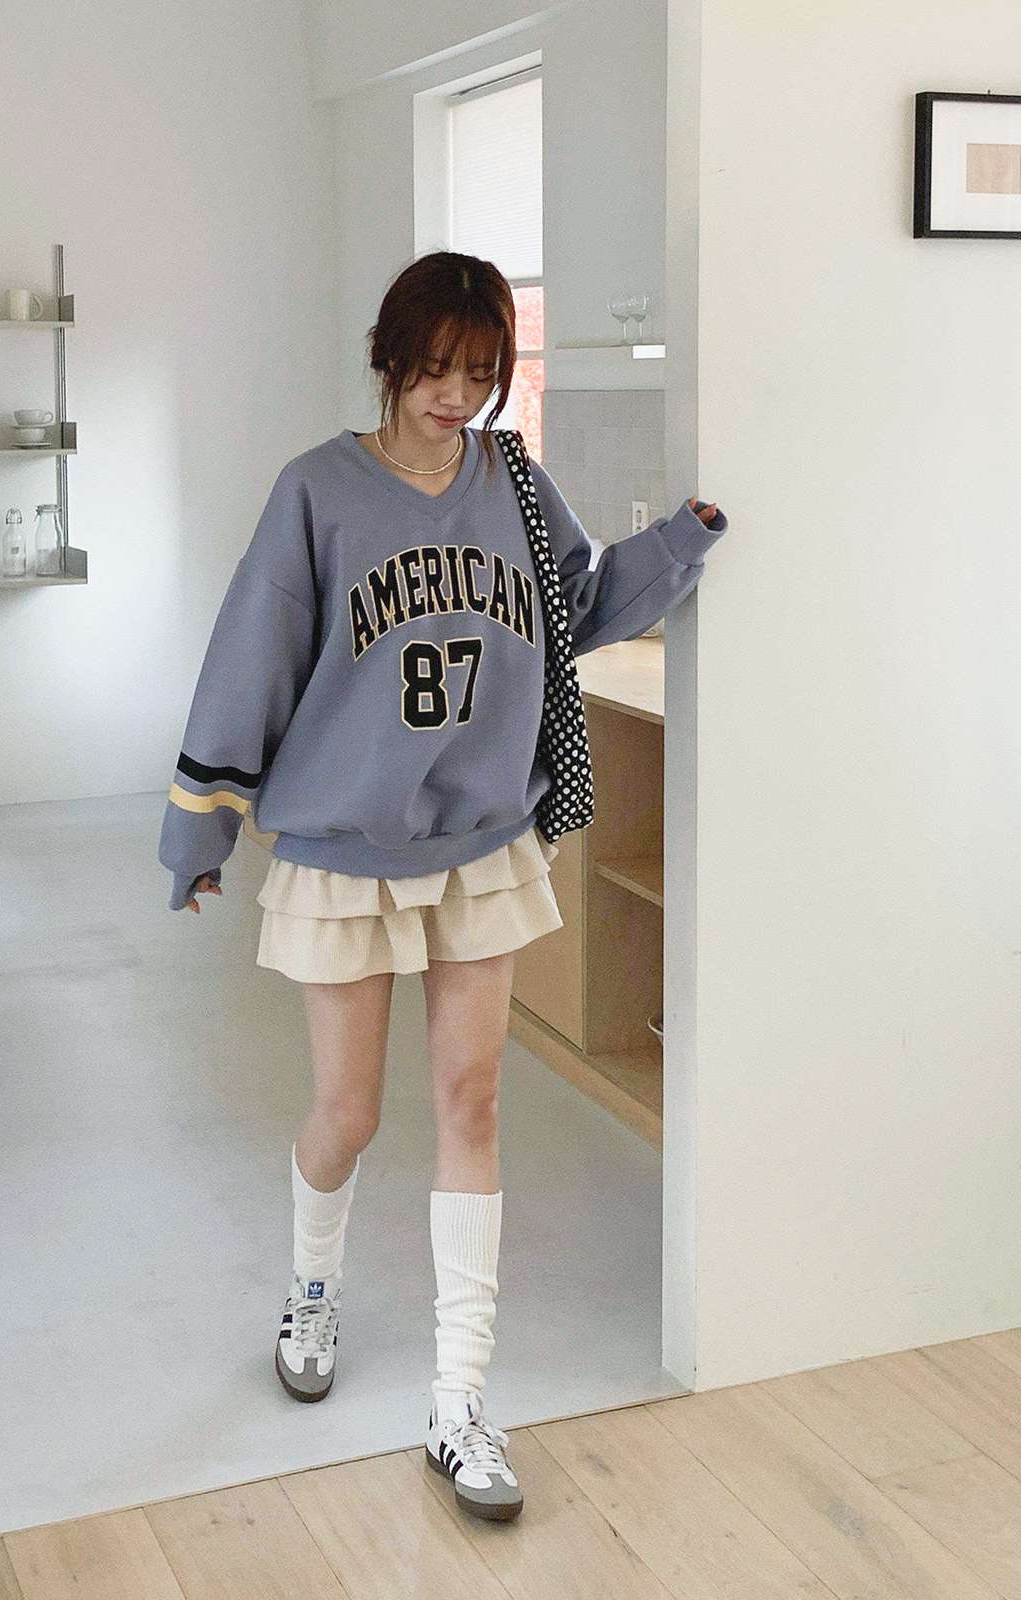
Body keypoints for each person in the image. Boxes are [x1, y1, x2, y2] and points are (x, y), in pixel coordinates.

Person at [157, 250, 727, 1524]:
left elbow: (578, 606)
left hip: (478, 843)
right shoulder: (317, 491)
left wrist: (679, 544)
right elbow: (252, 657)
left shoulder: (515, 484)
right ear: (390, 356)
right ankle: (312, 1291)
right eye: (434, 368)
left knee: (472, 1101)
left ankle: (460, 1400)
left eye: (479, 371)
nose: (455, 394)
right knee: (349, 1111)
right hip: (344, 851)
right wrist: (198, 830)